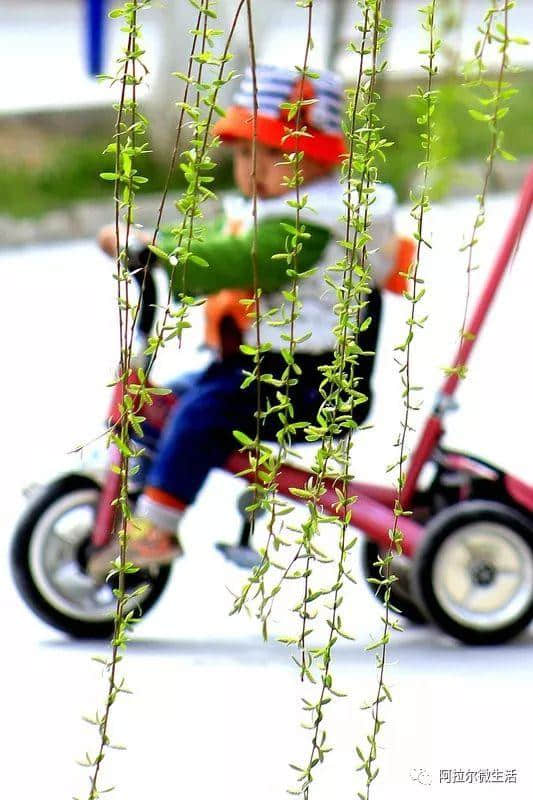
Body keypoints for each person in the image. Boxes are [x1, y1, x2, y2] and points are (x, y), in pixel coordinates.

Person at [89, 64, 406, 581]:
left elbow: (237, 259)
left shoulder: (306, 225)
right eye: (243, 154)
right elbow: (220, 242)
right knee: (162, 405)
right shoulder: (274, 209)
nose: (254, 171)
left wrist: (161, 251)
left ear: (322, 162)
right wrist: (160, 243)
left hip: (307, 383)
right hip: (259, 370)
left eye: (279, 155)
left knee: (198, 416)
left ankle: (157, 527)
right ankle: (151, 491)